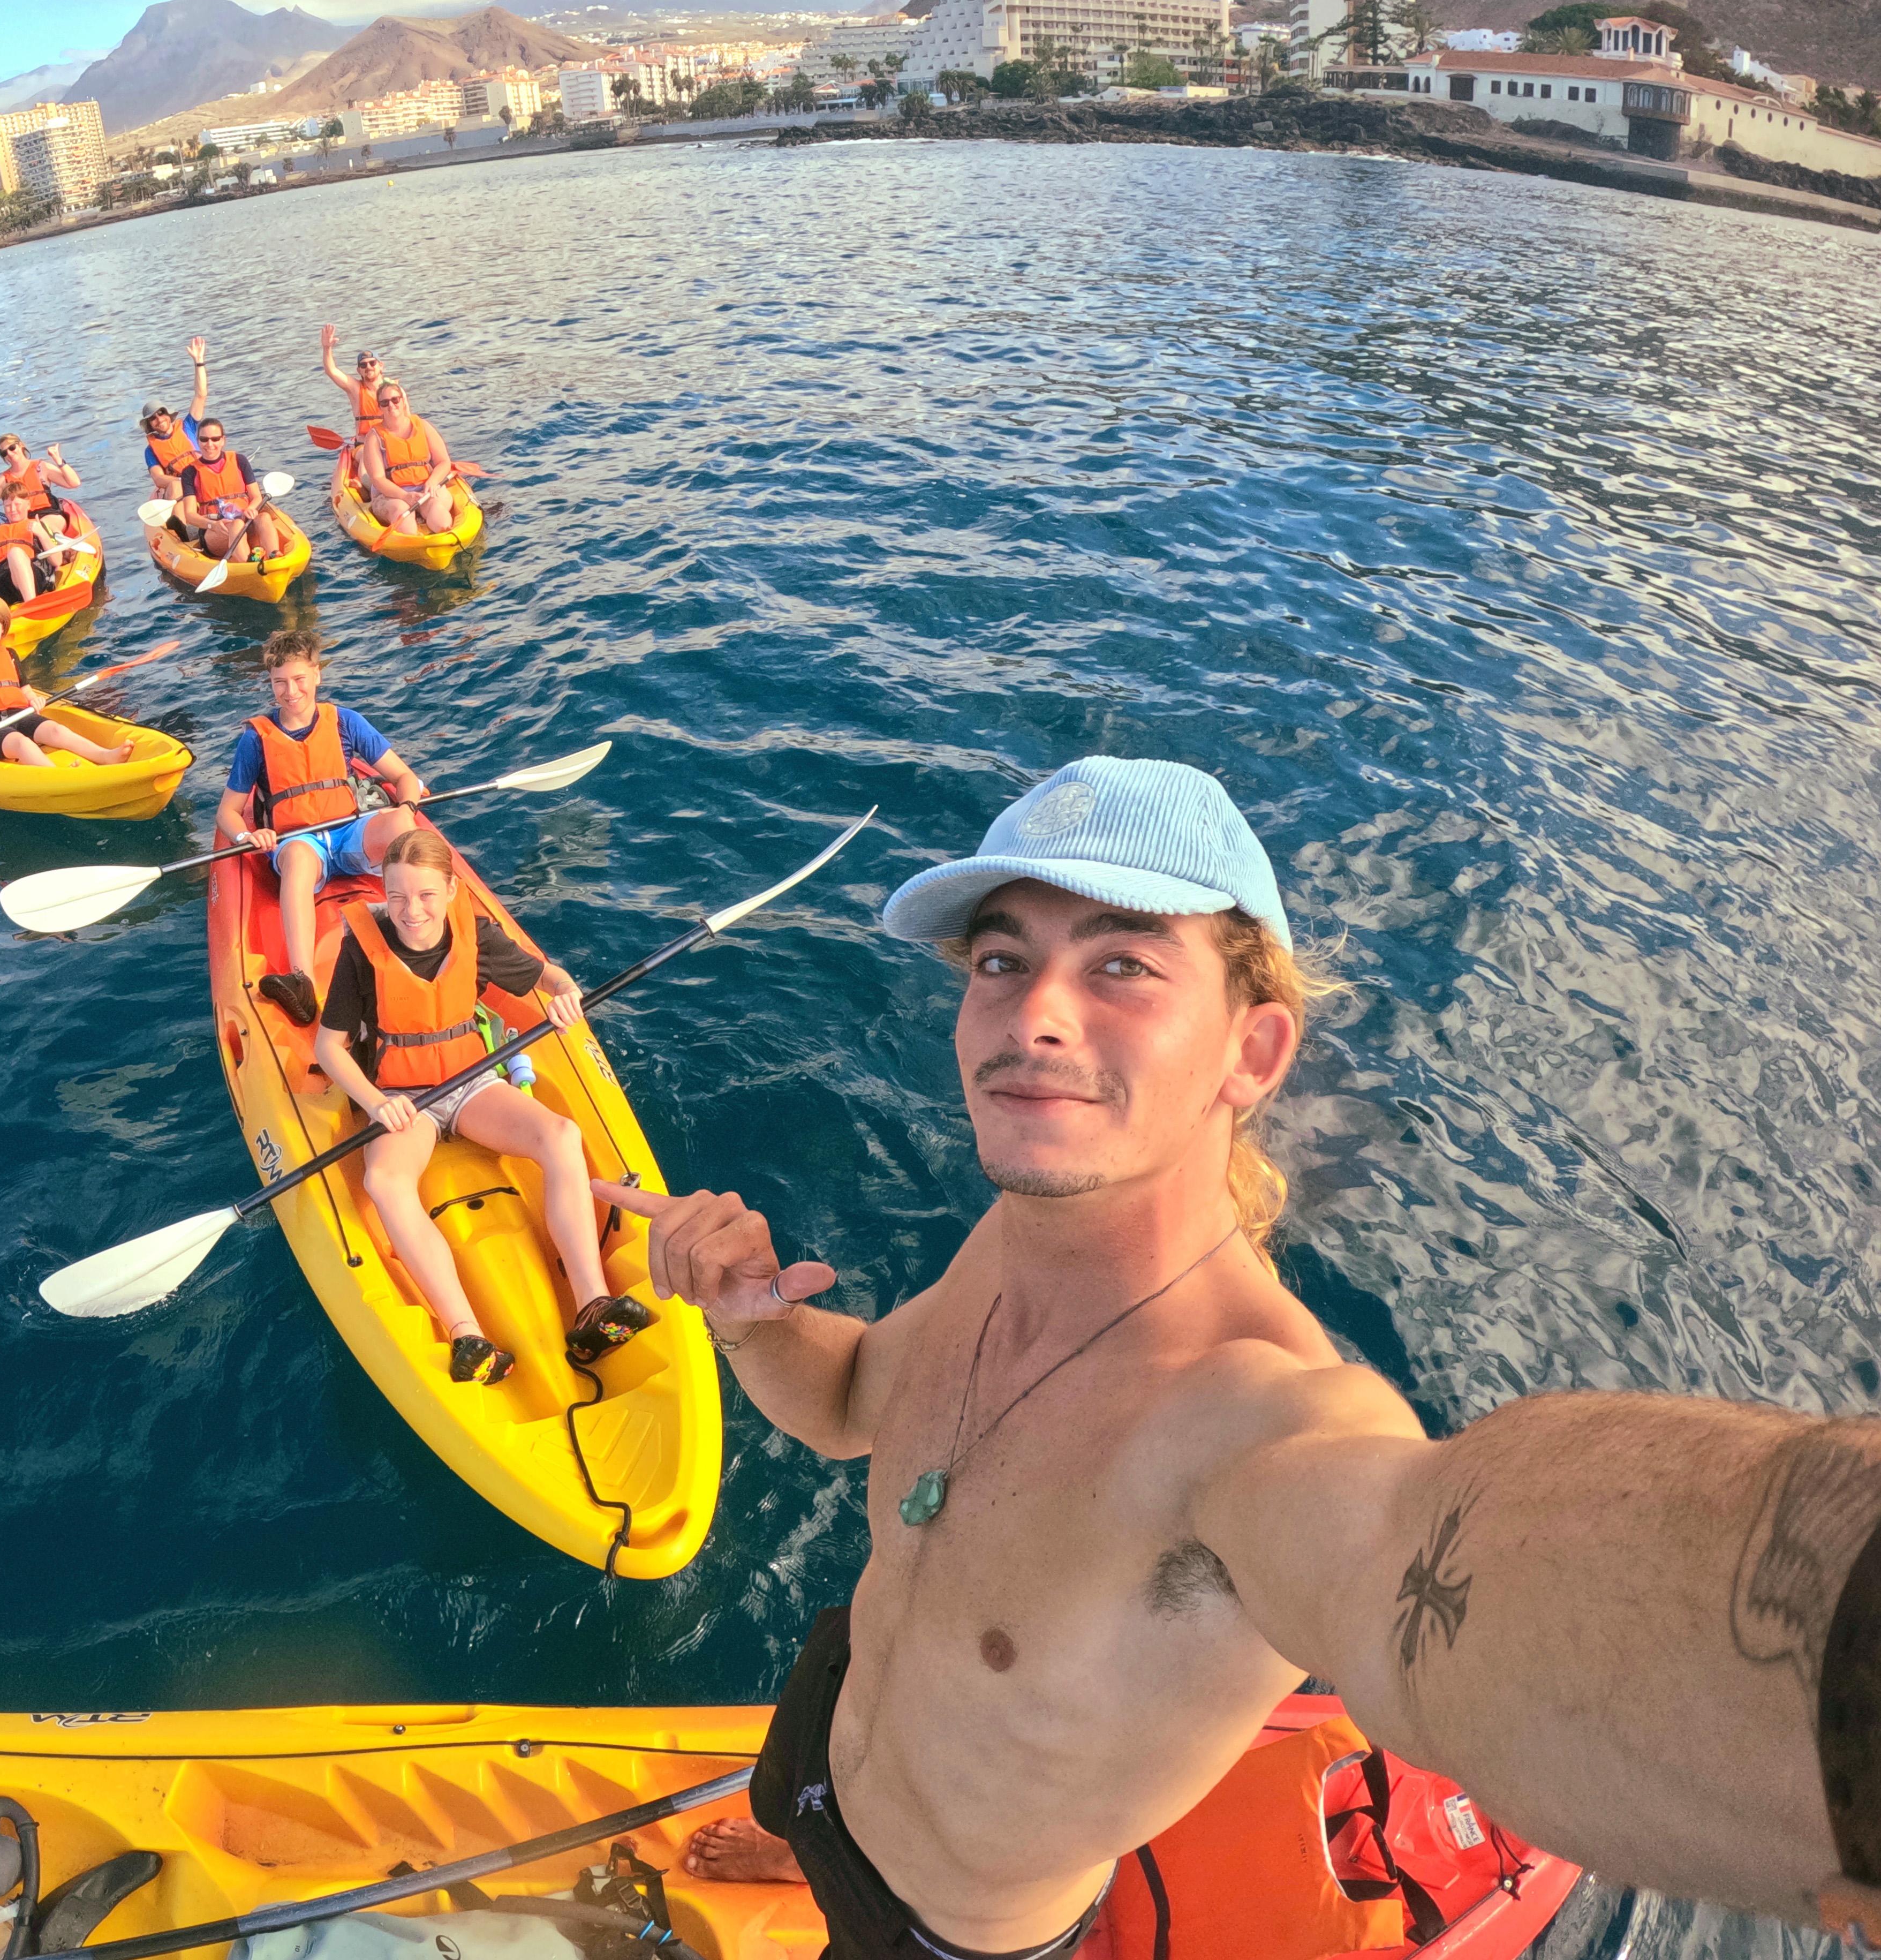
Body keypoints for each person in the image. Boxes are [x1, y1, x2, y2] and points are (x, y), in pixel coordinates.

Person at [588, 756, 1881, 1956]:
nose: (1033, 1013)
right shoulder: (1013, 1239)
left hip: (943, 1933)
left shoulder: (1256, 1420)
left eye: (1122, 965)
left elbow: (1423, 1570)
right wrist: (752, 1318)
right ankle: (796, 1841)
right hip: (823, 1760)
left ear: (1250, 1051)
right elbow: (849, 1402)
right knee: (810, 1796)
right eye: (1000, 958)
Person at [312, 827, 656, 1386]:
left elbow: (548, 976)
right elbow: (329, 1048)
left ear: (451, 891)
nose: (411, 911)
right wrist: (375, 1103)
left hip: (471, 1082)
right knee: (385, 1182)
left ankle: (593, 1304)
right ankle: (466, 1333)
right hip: (404, 1099)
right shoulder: (363, 948)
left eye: (426, 895)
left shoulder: (477, 935)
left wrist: (565, 994)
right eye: (397, 896)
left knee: (562, 1136)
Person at [222, 629, 421, 1027]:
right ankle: (303, 982)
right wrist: (247, 836)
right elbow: (228, 812)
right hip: (300, 842)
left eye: (299, 679)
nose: (291, 692)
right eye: (280, 682)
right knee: (297, 858)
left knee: (402, 822)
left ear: (317, 674)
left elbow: (404, 778)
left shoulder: (345, 722)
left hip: (349, 832)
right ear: (271, 683)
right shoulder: (255, 740)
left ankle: (425, 935)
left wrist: (408, 806)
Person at [0, 599, 133, 768]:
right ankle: (57, 776)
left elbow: (25, 689)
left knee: (57, 731)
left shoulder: (9, 655)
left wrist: (34, 699)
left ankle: (105, 756)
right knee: (22, 744)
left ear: (3, 628)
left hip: (19, 714)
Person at [173, 414, 290, 566]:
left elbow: (256, 497)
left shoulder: (240, 461)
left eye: (215, 439)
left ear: (223, 440)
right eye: (204, 439)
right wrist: (212, 525)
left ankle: (274, 556)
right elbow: (190, 516)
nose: (210, 444)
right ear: (198, 441)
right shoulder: (190, 472)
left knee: (264, 518)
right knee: (236, 525)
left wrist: (250, 509)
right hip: (216, 531)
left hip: (246, 523)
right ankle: (248, 565)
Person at [356, 381, 456, 539]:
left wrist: (432, 482)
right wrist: (405, 496)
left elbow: (444, 462)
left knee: (441, 522)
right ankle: (412, 542)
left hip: (425, 489)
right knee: (405, 521)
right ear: (379, 407)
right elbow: (378, 479)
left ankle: (441, 539)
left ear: (403, 401)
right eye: (385, 403)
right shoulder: (374, 437)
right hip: (392, 496)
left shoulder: (423, 426)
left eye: (395, 400)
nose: (391, 405)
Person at [138, 336, 213, 501]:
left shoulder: (188, 427)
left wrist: (199, 362)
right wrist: (186, 481)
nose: (159, 419)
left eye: (161, 413)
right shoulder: (150, 451)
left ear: (169, 415)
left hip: (204, 476)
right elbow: (159, 478)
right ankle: (183, 516)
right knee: (174, 487)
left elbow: (201, 395)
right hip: (181, 488)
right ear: (150, 425)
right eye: (153, 418)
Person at [319, 325, 388, 443]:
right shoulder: (355, 388)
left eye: (372, 363)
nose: (368, 367)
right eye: (363, 365)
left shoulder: (394, 390)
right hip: (364, 445)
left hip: (389, 442)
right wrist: (327, 348)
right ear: (359, 371)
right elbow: (331, 371)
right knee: (363, 454)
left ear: (381, 366)